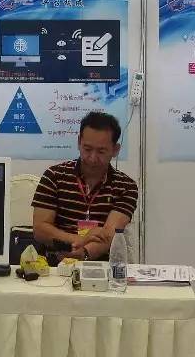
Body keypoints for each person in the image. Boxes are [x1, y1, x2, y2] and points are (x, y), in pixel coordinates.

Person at [31, 111, 138, 261]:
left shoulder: (125, 186)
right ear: (78, 142)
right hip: (54, 265)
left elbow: (109, 235)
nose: (92, 158)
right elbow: (40, 229)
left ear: (115, 150)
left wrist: (82, 254)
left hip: (101, 266)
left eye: (101, 151)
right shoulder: (54, 176)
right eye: (87, 149)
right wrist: (81, 239)